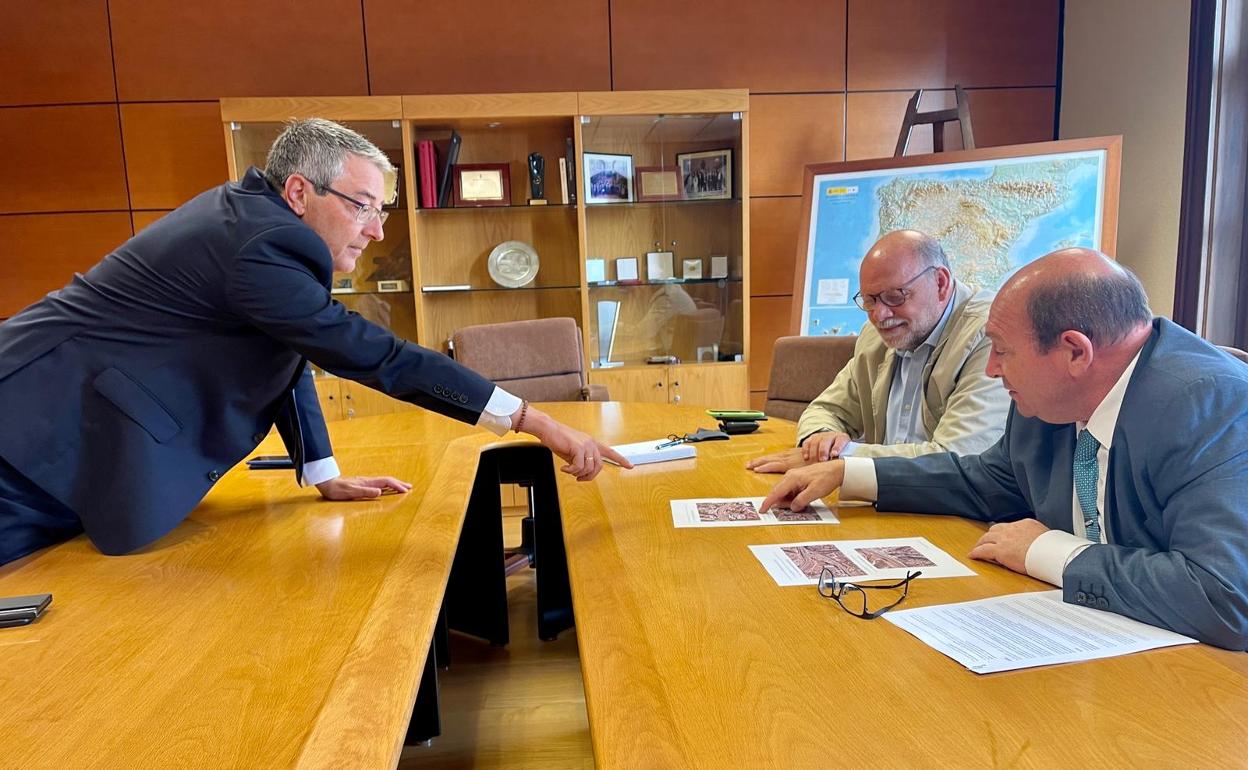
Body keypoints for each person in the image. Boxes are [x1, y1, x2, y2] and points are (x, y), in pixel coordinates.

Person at [0, 118, 631, 566]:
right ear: (300, 191)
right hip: (29, 431)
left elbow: (285, 350)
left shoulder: (255, 223)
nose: (377, 230)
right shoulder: (261, 244)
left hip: (55, 433)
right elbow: (374, 355)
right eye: (363, 207)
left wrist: (321, 471)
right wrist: (530, 418)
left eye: (382, 211)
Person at [761, 249, 1248, 649]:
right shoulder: (1051, 399)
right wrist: (853, 473)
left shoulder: (1213, 406)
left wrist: (1046, 550)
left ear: (1075, 351)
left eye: (1002, 350)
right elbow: (988, 481)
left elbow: (1225, 596)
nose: (992, 369)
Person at [748, 230, 1009, 473]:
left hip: (959, 514)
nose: (879, 315)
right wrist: (821, 441)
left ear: (940, 283)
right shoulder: (875, 335)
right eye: (870, 300)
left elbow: (956, 458)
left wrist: (842, 459)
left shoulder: (991, 335)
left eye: (896, 296)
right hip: (883, 502)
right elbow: (826, 410)